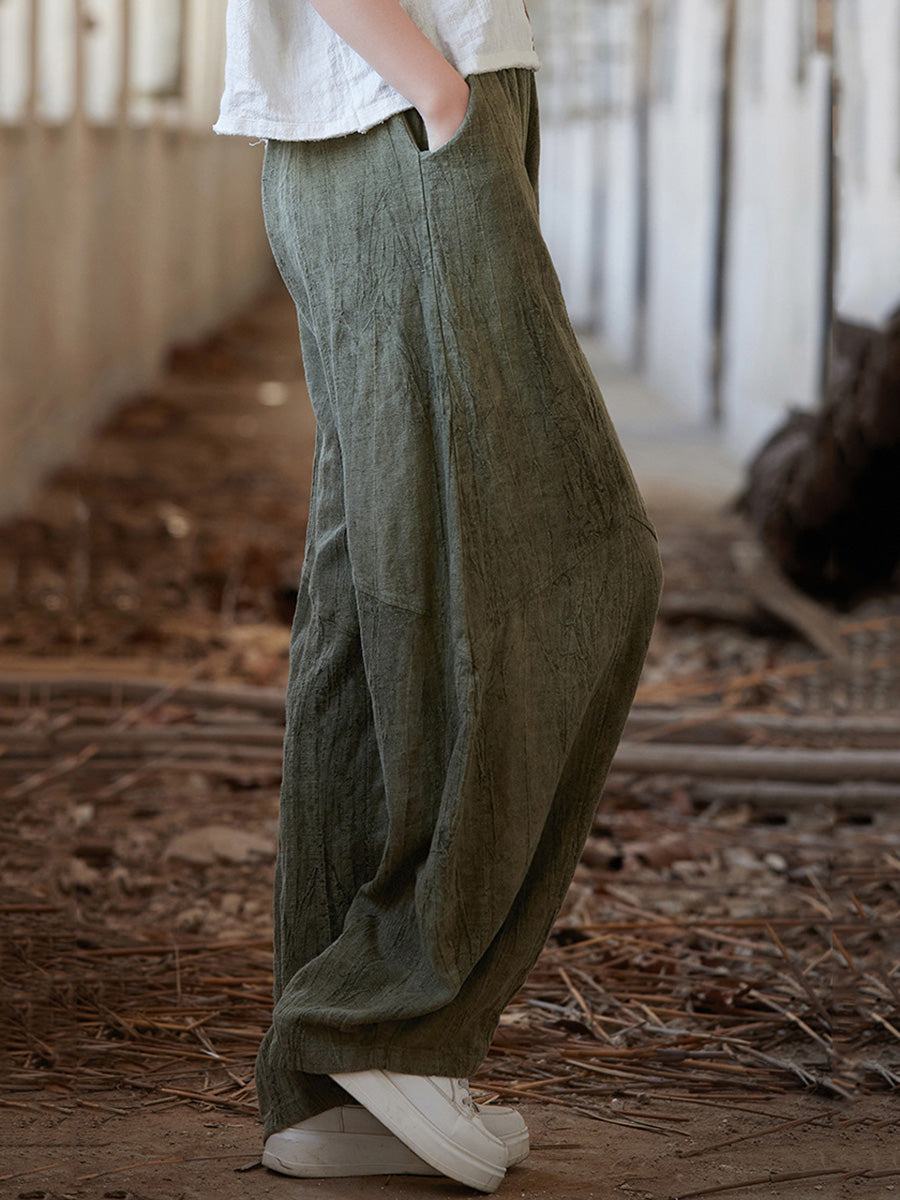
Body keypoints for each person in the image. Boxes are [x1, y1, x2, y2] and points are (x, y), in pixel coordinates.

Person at [213, 0, 664, 1192]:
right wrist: (442, 97)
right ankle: (391, 1010)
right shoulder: (425, 104)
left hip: (397, 121)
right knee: (583, 560)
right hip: (406, 120)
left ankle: (331, 1082)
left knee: (373, 595)